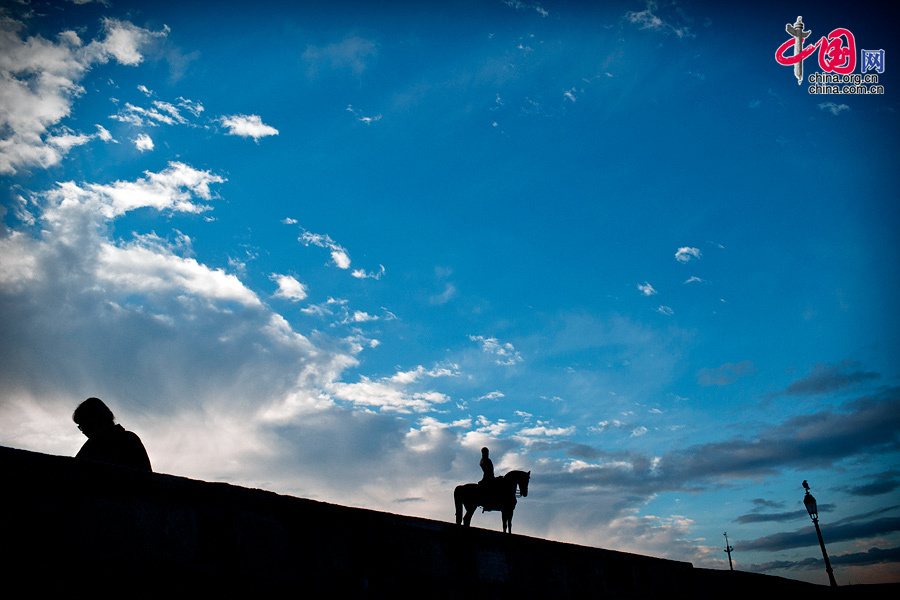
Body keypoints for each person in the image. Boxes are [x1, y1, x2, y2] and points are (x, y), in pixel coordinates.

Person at [73, 397, 152, 471]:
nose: (83, 431)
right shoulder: (88, 448)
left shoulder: (128, 440)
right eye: (81, 427)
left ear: (100, 419)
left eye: (85, 425)